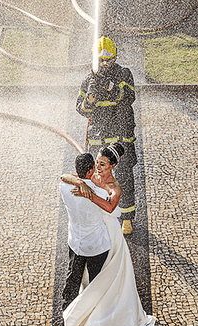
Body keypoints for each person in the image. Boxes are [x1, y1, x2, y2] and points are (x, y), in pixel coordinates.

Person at [61, 143, 156, 326]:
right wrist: (81, 182)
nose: (98, 167)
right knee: (88, 278)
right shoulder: (92, 178)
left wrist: (88, 193)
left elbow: (111, 207)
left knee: (105, 278)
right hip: (94, 235)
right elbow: (65, 177)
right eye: (96, 162)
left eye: (103, 164)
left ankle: (102, 318)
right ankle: (82, 310)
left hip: (108, 238)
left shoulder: (115, 187)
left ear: (112, 166)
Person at [76, 36, 137, 235]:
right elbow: (81, 109)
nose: (104, 64)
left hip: (120, 138)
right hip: (98, 138)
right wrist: (90, 100)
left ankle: (126, 218)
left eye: (109, 60)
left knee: (124, 177)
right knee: (98, 180)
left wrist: (111, 87)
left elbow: (129, 97)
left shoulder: (124, 74)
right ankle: (102, 216)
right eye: (101, 60)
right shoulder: (88, 80)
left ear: (115, 57)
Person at [59, 153, 112, 309]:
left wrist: (79, 182)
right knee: (96, 281)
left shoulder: (64, 187)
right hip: (96, 246)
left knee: (73, 277)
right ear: (90, 171)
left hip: (76, 244)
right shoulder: (100, 194)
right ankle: (95, 309)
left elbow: (63, 177)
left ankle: (68, 307)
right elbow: (111, 210)